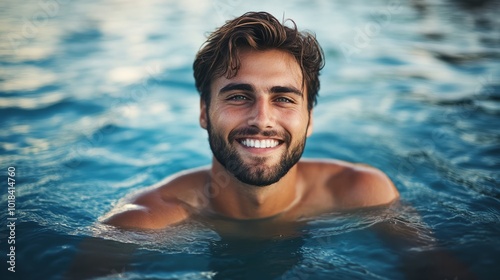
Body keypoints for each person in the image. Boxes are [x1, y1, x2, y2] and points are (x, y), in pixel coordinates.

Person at [100, 11, 399, 230]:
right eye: (239, 96)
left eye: (283, 98)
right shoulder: (139, 223)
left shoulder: (365, 193)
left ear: (309, 119)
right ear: (204, 112)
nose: (262, 119)